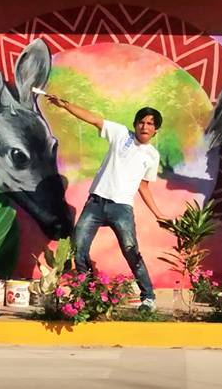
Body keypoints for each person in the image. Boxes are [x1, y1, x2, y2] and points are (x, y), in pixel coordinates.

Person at [45, 95, 166, 311]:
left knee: (131, 251)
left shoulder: (152, 155)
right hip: (96, 203)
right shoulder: (121, 134)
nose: (145, 126)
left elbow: (144, 186)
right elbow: (93, 119)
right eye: (141, 122)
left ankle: (148, 297)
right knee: (79, 247)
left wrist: (158, 213)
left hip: (122, 208)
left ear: (155, 130)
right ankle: (87, 293)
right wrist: (66, 105)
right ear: (135, 124)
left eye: (150, 124)